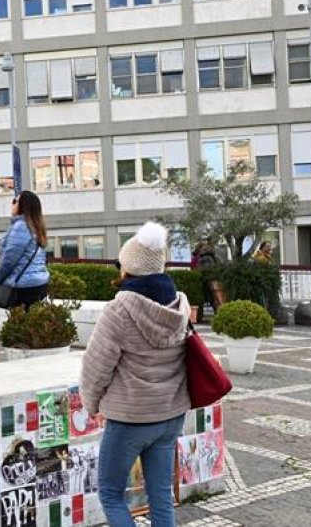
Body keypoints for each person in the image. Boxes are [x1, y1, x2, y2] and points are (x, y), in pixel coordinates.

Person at [80, 221, 190, 527]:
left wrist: (91, 404)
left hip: (131, 418)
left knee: (111, 494)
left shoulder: (119, 310)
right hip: (170, 415)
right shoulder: (179, 304)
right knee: (160, 496)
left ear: (128, 268)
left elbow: (95, 367)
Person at [0, 190, 50, 310]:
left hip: (23, 287)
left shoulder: (21, 226)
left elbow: (9, 259)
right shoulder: (36, 226)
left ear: (23, 205)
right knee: (33, 324)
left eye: (15, 201)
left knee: (19, 325)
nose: (12, 204)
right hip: (39, 284)